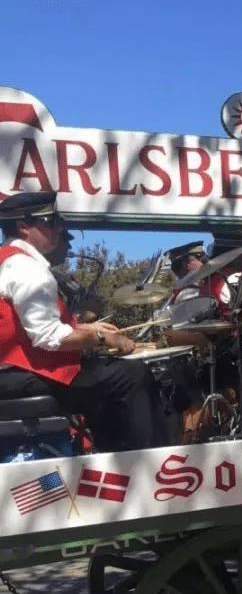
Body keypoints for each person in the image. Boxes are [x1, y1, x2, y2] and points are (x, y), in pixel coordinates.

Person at [0, 192, 172, 451]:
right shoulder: (28, 269)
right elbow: (48, 337)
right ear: (24, 227)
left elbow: (29, 328)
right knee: (131, 374)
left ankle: (105, 458)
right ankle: (144, 466)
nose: (58, 230)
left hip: (12, 372)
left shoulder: (9, 261)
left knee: (105, 374)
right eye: (50, 223)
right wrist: (102, 338)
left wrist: (84, 328)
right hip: (23, 376)